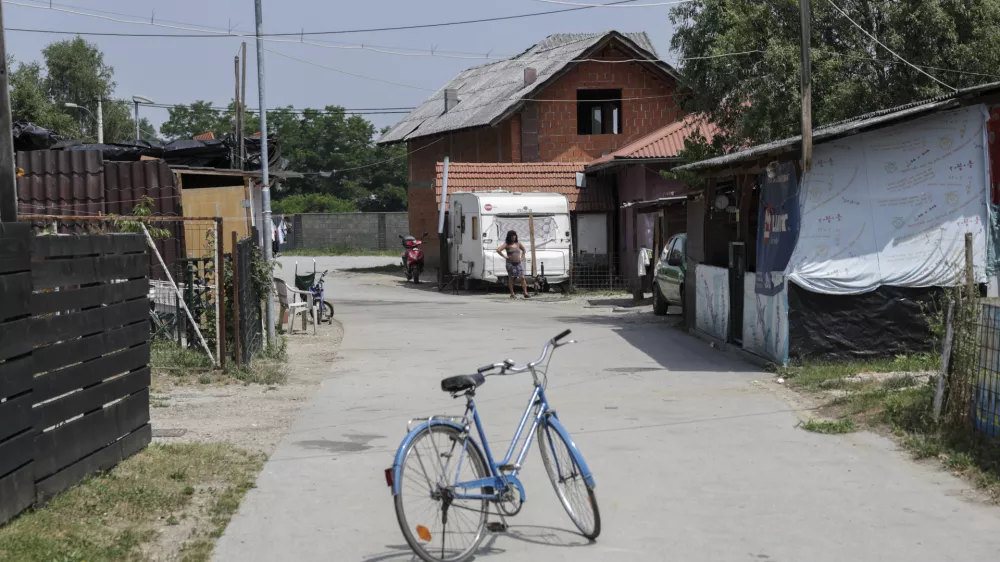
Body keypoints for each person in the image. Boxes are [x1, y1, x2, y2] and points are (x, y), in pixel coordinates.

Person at [497, 230, 530, 299]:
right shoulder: (507, 244)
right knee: (512, 279)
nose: (513, 237)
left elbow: (524, 250)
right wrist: (504, 256)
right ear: (509, 237)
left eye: (514, 235)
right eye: (512, 236)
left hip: (518, 263)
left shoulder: (518, 244)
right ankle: (512, 293)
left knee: (522, 277)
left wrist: (522, 257)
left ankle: (525, 292)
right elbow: (498, 250)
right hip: (510, 264)